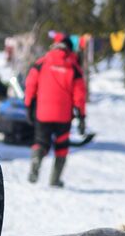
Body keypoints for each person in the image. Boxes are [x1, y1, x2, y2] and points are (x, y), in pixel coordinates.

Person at [23, 31, 87, 187]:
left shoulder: (42, 62)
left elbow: (30, 83)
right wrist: (81, 115)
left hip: (43, 112)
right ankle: (55, 179)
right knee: (62, 146)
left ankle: (37, 158)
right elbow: (80, 93)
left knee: (40, 141)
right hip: (63, 115)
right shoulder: (73, 66)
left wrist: (28, 105)